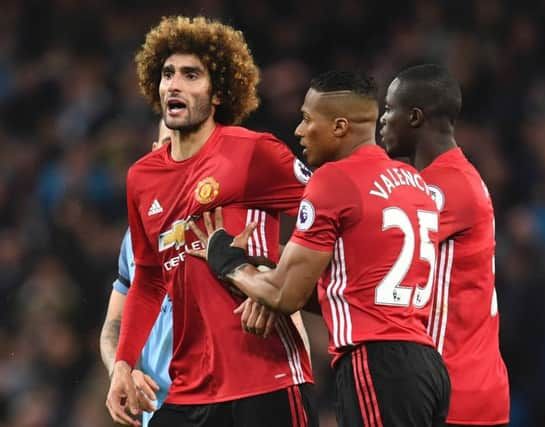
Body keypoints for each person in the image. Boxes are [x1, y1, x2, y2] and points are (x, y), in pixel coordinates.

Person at [190, 70, 451, 426]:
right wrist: (266, 267)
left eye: (307, 119)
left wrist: (228, 260)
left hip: (375, 363)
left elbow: (285, 295)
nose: (299, 130)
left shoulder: (333, 180)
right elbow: (350, 289)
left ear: (340, 127)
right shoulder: (416, 186)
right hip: (428, 367)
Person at [105, 15, 315, 427]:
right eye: (168, 74)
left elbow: (327, 214)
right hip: (187, 388)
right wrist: (123, 365)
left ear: (218, 92)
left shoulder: (253, 152)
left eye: (191, 75)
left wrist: (282, 285)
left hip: (265, 378)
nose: (175, 85)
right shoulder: (142, 178)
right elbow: (148, 278)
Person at [379, 64, 510, 427]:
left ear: (416, 117)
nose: (383, 121)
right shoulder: (454, 178)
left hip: (451, 391)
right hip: (467, 385)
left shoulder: (442, 188)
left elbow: (373, 257)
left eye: (390, 109)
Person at [100, 119, 174, 427]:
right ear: (155, 152)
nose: (179, 153)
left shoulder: (234, 225)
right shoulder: (135, 238)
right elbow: (113, 324)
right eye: (170, 143)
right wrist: (122, 368)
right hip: (159, 411)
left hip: (224, 405)